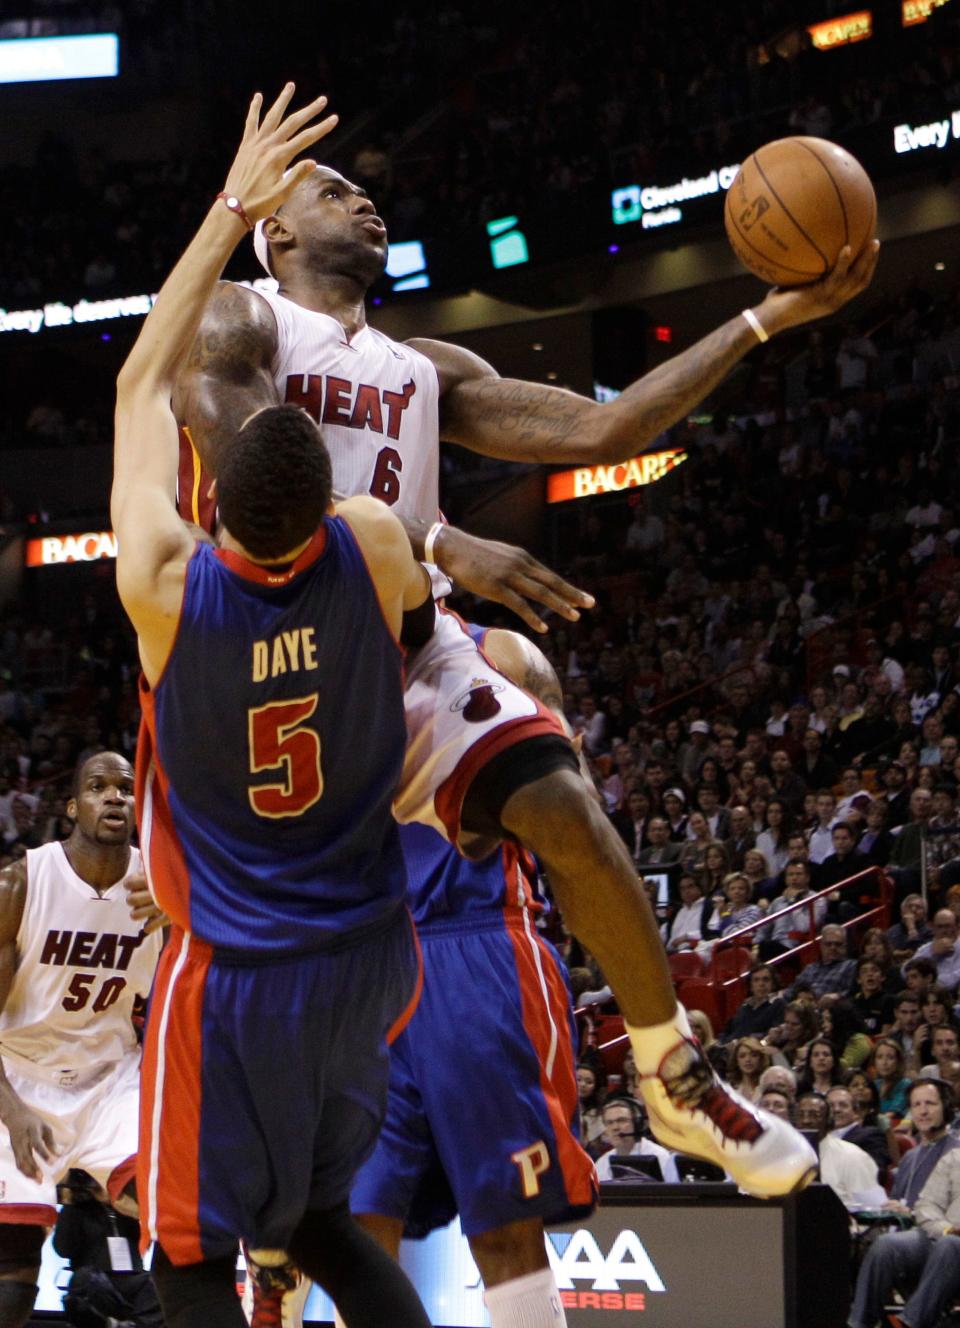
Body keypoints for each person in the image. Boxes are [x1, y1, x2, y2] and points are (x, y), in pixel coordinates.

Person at [174, 104, 877, 1207]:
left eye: (362, 189)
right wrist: (439, 532)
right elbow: (264, 491)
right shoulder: (241, 318)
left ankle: (671, 1068)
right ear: (279, 236)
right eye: (327, 192)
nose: (362, 197)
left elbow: (604, 432)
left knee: (560, 798)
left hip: (410, 640)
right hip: (285, 644)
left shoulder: (421, 367)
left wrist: (764, 318)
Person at [112, 88, 435, 1328]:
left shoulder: (165, 586)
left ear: (216, 502)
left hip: (234, 974)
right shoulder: (367, 541)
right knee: (317, 1227)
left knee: (188, 1257)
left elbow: (145, 379)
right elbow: (409, 619)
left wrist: (231, 207)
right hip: (367, 957)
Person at [344, 631, 599, 1328]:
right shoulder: (327, 655)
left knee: (505, 1229)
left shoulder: (503, 654)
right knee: (354, 1232)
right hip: (363, 967)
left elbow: (571, 788)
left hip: (477, 947)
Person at [0, 752, 162, 1328]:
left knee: (174, 1216)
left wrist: (184, 912)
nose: (114, 797)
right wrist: (15, 1114)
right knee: (15, 1267)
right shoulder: (21, 882)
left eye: (124, 788)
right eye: (98, 787)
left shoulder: (163, 888)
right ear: (73, 807)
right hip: (20, 1078)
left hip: (111, 1078)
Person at [848, 1078, 960, 1328]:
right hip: (917, 1236)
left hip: (945, 1235)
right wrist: (892, 1206)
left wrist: (913, 1212)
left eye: (930, 1103)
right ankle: (860, 1322)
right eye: (916, 1104)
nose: (923, 1110)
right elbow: (900, 1200)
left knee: (947, 1245)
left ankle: (908, 1323)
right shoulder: (910, 1157)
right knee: (885, 1245)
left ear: (946, 1107)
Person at [593, 1097, 680, 1183]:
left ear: (638, 1124)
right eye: (609, 1123)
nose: (615, 1127)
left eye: (622, 1120)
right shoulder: (602, 1163)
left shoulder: (659, 1156)